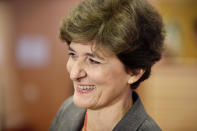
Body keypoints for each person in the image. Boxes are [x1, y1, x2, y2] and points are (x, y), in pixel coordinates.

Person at [50, 0, 165, 130]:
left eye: (93, 61)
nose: (74, 74)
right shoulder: (68, 110)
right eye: (73, 54)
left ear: (135, 72)